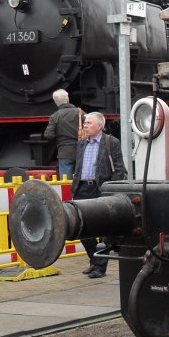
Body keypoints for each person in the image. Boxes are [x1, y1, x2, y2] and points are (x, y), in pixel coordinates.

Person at [73, 112, 126, 278]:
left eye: (89, 123)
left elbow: (119, 167)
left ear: (99, 126)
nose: (85, 125)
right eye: (85, 123)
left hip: (100, 189)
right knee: (81, 227)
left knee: (104, 228)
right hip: (82, 188)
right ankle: (94, 260)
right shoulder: (81, 144)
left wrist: (110, 188)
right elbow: (78, 167)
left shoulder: (111, 142)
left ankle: (100, 267)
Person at [43, 90, 84, 179]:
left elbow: (49, 135)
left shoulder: (55, 116)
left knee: (66, 181)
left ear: (55, 102)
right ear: (68, 99)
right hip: (81, 150)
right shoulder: (79, 112)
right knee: (82, 179)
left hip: (64, 152)